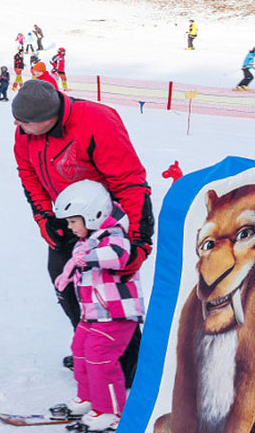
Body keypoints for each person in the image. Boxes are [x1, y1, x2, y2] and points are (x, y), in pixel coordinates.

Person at [12, 79, 153, 385]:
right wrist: (44, 217)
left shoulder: (96, 121)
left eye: (24, 122)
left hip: (102, 223)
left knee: (108, 293)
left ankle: (130, 365)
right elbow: (28, 173)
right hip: (67, 219)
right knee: (66, 286)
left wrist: (139, 239)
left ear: (48, 118)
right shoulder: (25, 130)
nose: (18, 127)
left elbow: (130, 181)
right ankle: (93, 348)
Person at [51, 180, 144, 433]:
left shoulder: (114, 235)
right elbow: (80, 265)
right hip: (93, 314)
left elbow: (118, 256)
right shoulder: (87, 240)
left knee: (100, 357)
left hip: (115, 314)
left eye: (73, 221)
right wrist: (68, 274)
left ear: (94, 214)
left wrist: (85, 258)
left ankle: (111, 412)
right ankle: (89, 398)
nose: (70, 227)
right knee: (80, 350)